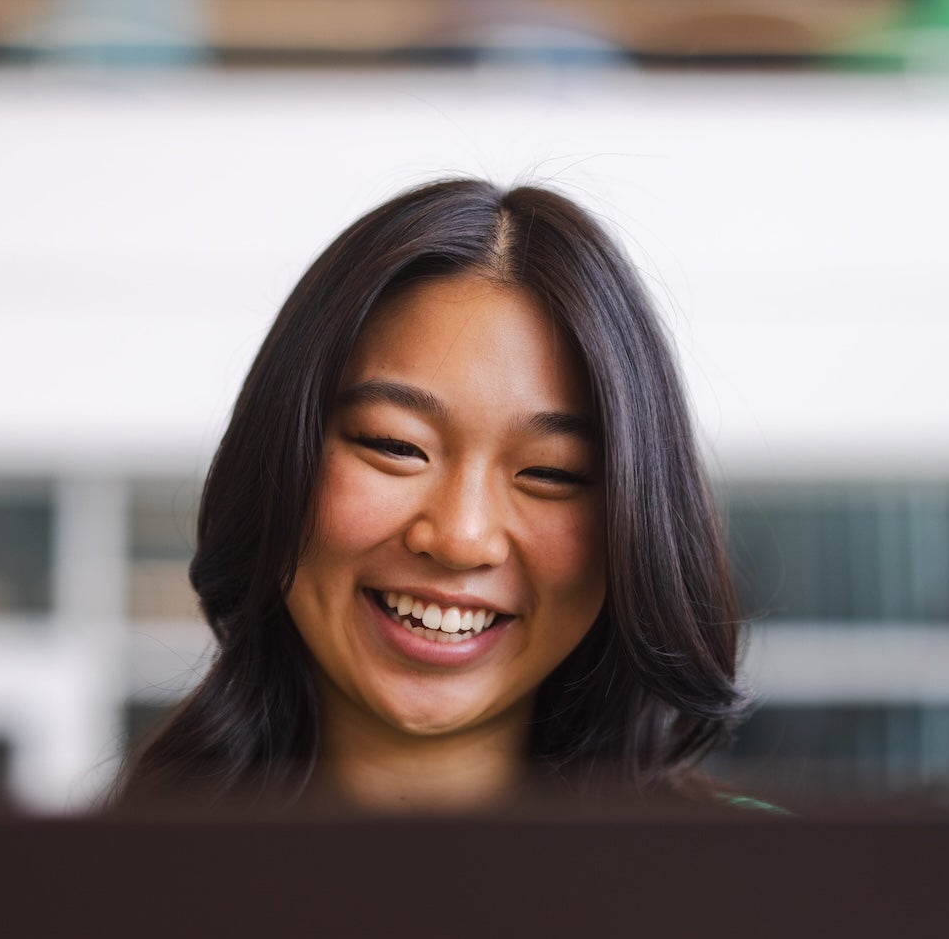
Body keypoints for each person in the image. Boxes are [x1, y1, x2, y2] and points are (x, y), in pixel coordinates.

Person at [111, 177, 752, 815]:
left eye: (552, 474)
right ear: (280, 457)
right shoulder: (98, 896)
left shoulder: (764, 890)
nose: (460, 538)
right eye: (394, 444)